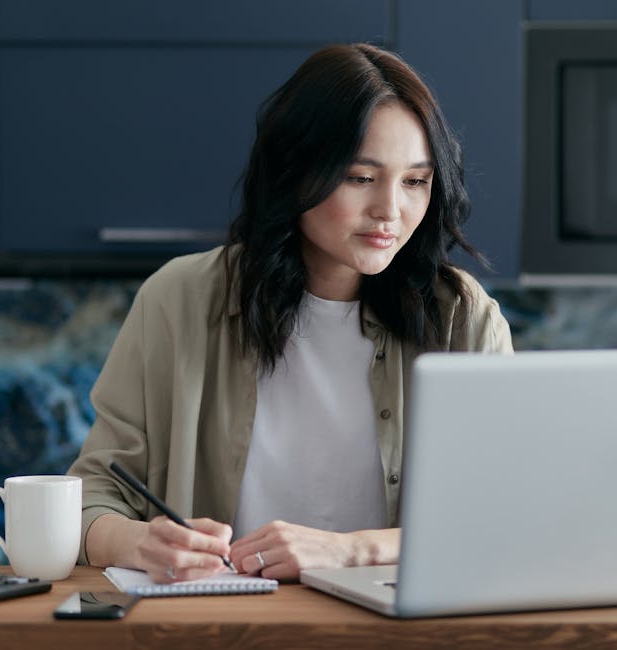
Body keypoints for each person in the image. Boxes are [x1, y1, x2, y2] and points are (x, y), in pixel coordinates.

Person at [67, 42, 513, 584]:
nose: (391, 210)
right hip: (221, 630)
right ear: (296, 172)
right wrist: (140, 541)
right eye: (360, 177)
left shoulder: (461, 317)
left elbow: (501, 519)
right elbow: (93, 495)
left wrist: (350, 550)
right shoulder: (178, 300)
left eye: (415, 181)